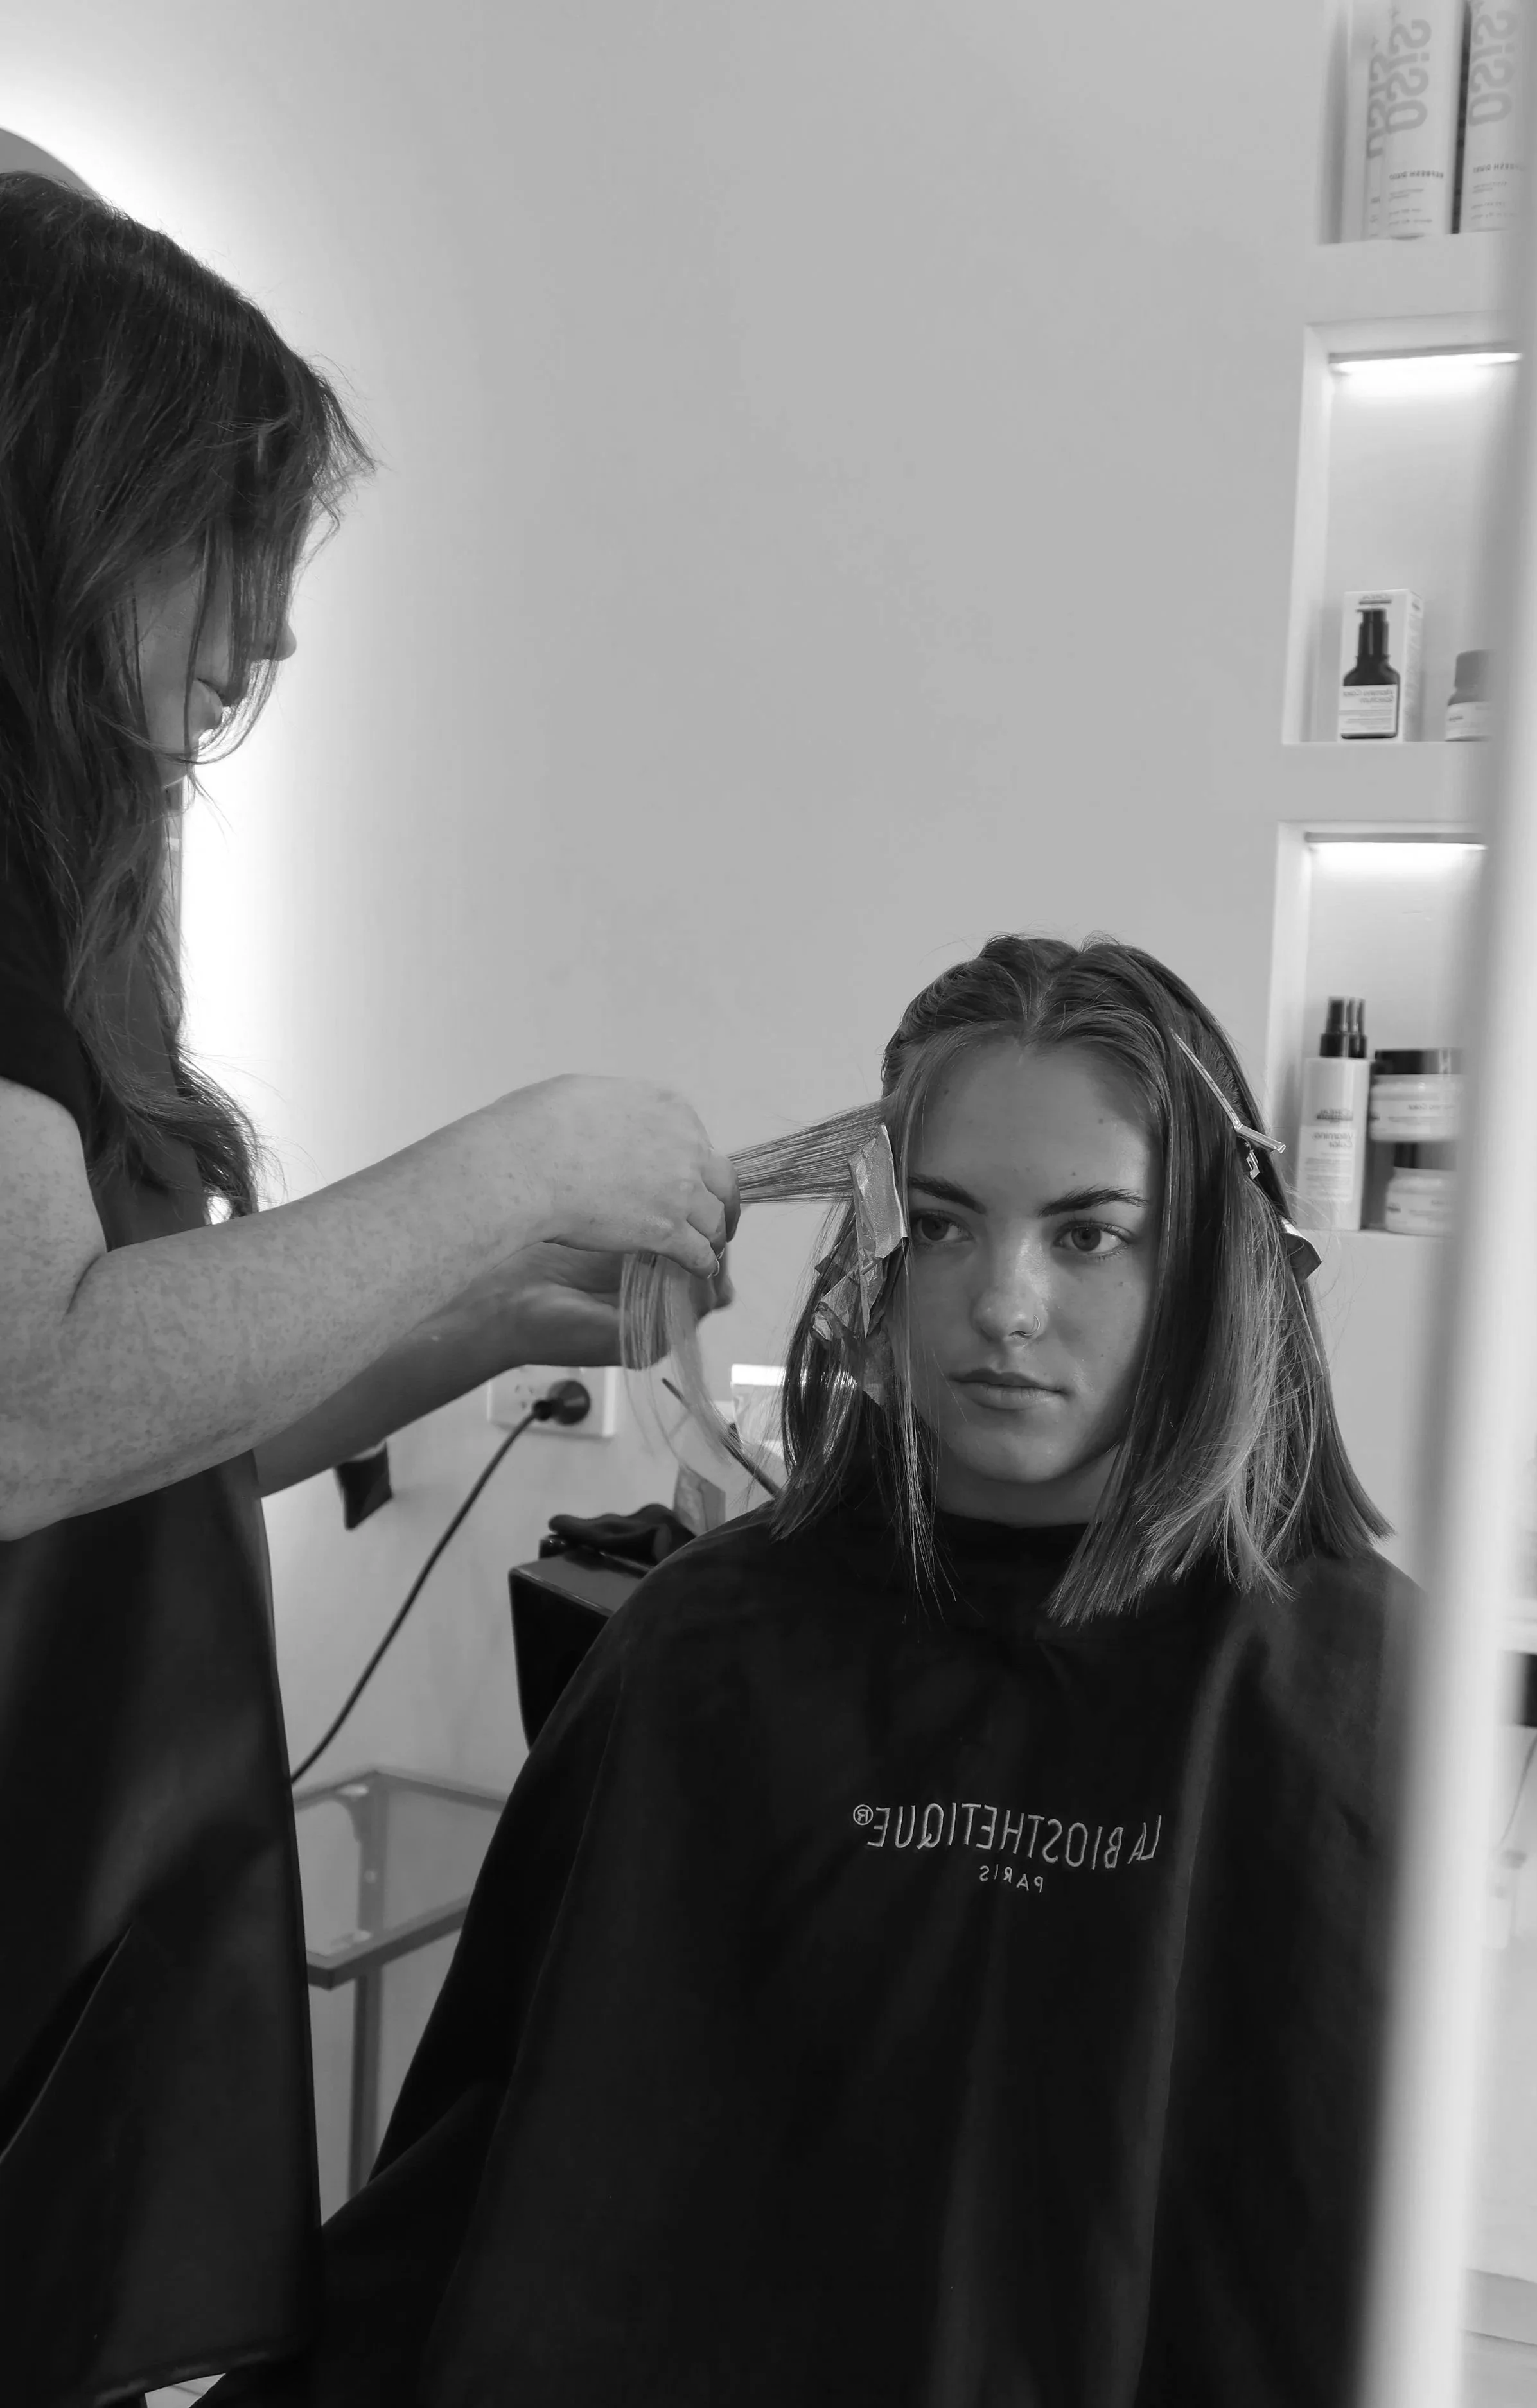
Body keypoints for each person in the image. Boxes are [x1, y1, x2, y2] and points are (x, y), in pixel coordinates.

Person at [219, 933, 1412, 2408]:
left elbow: (1293, 2261)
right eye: (942, 1225)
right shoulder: (699, 1645)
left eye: (1088, 1233)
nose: (1005, 1303)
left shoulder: (1343, 1688)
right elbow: (495, 2164)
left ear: (1214, 1256)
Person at [0, 171, 739, 2408]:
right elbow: (31, 1409)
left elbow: (134, 1457)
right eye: (229, 560)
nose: (268, 652)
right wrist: (529, 1154)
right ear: (62, 498)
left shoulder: (70, 892)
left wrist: (494, 1314)